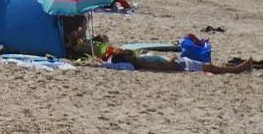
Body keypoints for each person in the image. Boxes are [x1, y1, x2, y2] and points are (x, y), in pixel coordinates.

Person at [103, 48, 256, 74]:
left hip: (181, 63)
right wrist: (173, 58)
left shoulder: (140, 59)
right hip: (181, 65)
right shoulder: (142, 63)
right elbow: (164, 66)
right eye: (125, 53)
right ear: (127, 58)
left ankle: (237, 68)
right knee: (210, 67)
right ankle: (237, 69)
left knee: (211, 66)